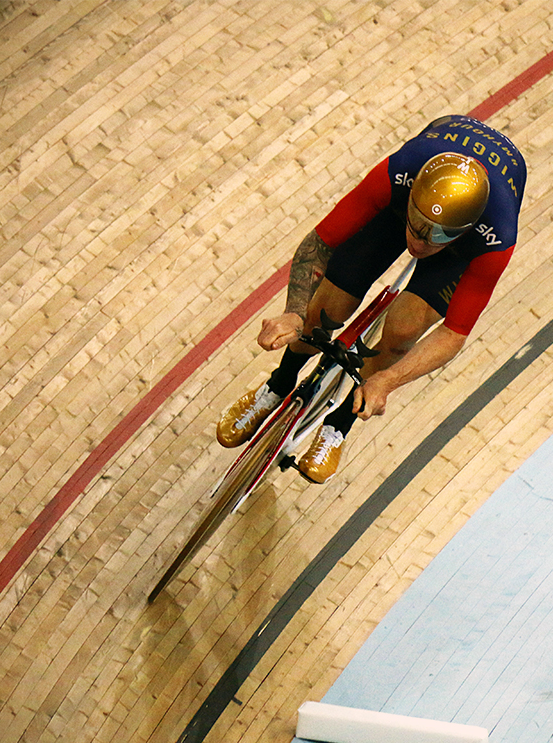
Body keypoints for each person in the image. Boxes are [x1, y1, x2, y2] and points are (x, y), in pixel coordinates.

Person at [217, 114, 527, 483]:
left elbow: (454, 334)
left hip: (458, 248)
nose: (418, 242)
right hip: (399, 208)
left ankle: (339, 424)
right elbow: (319, 245)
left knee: (404, 329)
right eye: (417, 225)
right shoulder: (397, 173)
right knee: (325, 310)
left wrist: (389, 380)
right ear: (412, 195)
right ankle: (278, 383)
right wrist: (294, 314)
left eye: (436, 237)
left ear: (465, 230)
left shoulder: (496, 237)